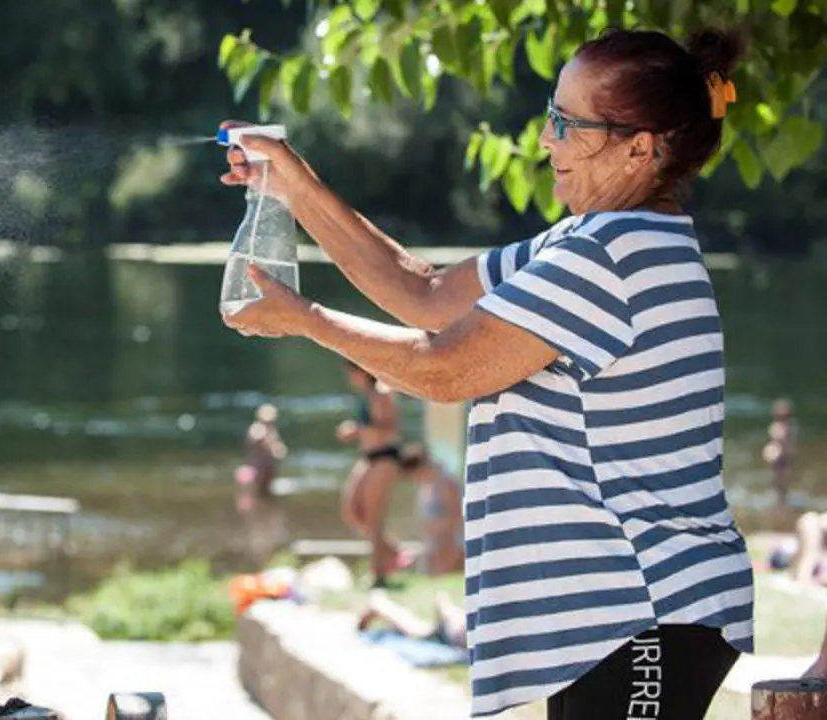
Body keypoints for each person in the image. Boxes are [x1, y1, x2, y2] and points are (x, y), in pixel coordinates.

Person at [218, 26, 753, 720]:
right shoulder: (591, 238)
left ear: (641, 147)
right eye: (548, 117)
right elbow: (427, 292)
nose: (544, 141)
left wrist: (308, 321)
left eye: (566, 124)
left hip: (643, 609)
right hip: (628, 613)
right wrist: (293, 186)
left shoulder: (610, 255)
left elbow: (444, 371)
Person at [336, 360, 409, 588]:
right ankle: (395, 553)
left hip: (384, 457)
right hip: (368, 457)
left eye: (351, 373)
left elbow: (390, 428)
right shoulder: (368, 394)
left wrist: (358, 430)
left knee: (373, 518)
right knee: (352, 511)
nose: (349, 378)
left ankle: (378, 575)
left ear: (361, 371)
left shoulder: (382, 392)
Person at [234, 404, 290, 567]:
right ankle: (263, 525)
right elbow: (276, 449)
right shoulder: (260, 431)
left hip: (262, 472)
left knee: (262, 503)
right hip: (259, 473)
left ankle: (264, 524)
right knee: (260, 501)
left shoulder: (262, 430)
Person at [399, 444, 464, 576]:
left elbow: (454, 518)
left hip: (450, 546)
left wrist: (447, 552)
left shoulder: (446, 484)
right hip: (433, 546)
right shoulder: (425, 486)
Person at [763, 398, 797, 507]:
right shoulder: (779, 428)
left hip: (781, 457)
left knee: (781, 479)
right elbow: (779, 443)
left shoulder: (782, 427)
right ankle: (780, 500)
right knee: (780, 479)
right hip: (779, 458)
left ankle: (781, 499)